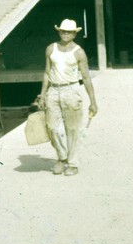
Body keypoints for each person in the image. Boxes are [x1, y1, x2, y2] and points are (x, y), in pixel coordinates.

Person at [38, 18, 98, 176]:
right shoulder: (51, 49)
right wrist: (42, 95)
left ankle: (72, 163)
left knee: (72, 129)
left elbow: (85, 77)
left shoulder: (79, 52)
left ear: (74, 34)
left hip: (71, 91)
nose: (65, 34)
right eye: (63, 31)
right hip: (53, 91)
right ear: (59, 31)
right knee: (52, 128)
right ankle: (62, 157)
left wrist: (93, 102)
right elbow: (46, 73)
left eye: (69, 32)